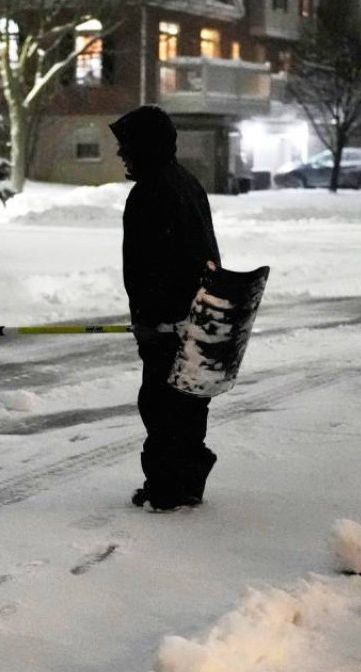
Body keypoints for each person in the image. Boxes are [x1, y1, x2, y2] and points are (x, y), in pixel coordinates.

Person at [108, 105, 221, 512]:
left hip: (168, 323)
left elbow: (147, 267)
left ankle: (167, 490)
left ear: (145, 147)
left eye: (126, 147)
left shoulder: (150, 193)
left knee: (161, 407)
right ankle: (185, 483)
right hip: (197, 318)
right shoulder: (187, 184)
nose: (122, 155)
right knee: (188, 406)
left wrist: (149, 321)